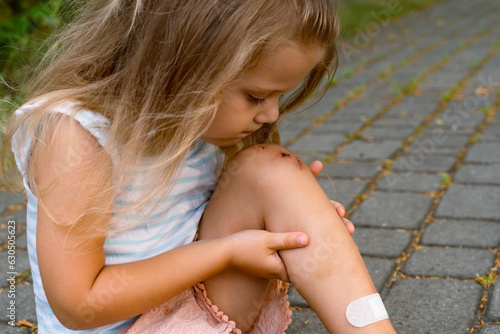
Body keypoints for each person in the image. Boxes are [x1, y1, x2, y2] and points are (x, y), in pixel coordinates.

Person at [1, 0, 397, 333]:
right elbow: (78, 305)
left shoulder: (193, 128)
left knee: (271, 172)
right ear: (186, 63)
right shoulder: (78, 135)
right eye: (257, 96)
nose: (271, 114)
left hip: (189, 312)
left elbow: (198, 223)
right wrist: (225, 253)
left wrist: (296, 220)